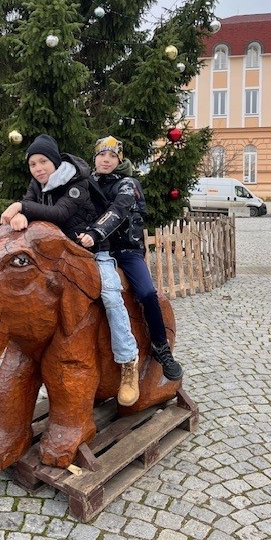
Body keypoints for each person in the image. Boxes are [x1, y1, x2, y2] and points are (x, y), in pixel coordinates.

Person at [0, 133, 140, 406]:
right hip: (62, 255)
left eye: (43, 162)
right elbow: (33, 209)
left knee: (111, 295)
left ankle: (128, 361)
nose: (38, 168)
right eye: (32, 164)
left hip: (94, 251)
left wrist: (20, 207)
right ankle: (45, 369)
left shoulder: (77, 182)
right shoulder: (37, 185)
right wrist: (21, 216)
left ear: (54, 161)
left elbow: (60, 213)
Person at [78, 136, 183, 382]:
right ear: (95, 158)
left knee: (147, 293)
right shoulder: (86, 183)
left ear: (119, 160)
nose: (106, 160)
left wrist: (95, 233)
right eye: (102, 155)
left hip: (126, 252)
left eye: (112, 156)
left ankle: (160, 346)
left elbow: (118, 209)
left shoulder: (128, 184)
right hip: (95, 251)